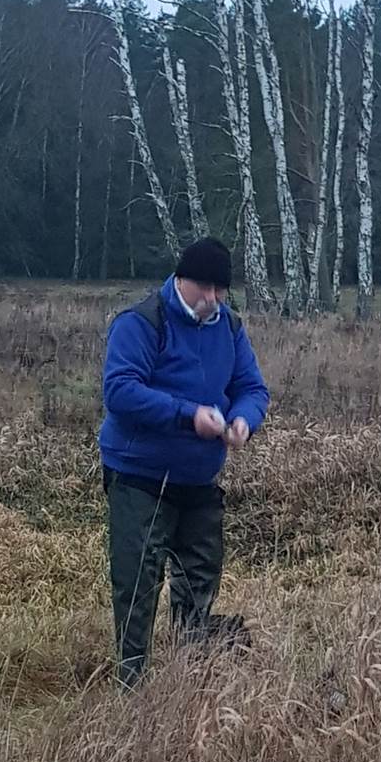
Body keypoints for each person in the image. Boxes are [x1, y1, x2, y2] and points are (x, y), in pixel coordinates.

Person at [99, 237, 270, 687]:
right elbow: (119, 392)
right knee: (137, 582)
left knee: (199, 578)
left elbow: (253, 388)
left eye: (220, 290)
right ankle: (131, 684)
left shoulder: (229, 327)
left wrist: (243, 421)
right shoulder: (140, 323)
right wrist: (186, 414)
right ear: (180, 280)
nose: (211, 299)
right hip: (139, 476)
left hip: (200, 480)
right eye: (203, 288)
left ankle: (186, 679)